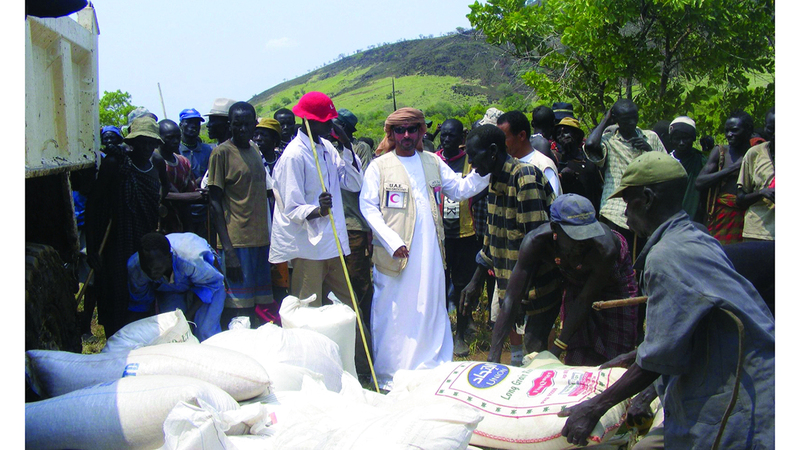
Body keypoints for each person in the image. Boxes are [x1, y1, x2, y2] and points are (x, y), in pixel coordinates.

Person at [558, 151, 774, 449]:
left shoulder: (667, 257)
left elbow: (661, 356)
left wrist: (595, 406)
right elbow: (689, 324)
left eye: (628, 203)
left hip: (736, 401)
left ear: (646, 199)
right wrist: (637, 354)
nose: (626, 215)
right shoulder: (695, 239)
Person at [359, 107, 489, 389]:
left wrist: (487, 171)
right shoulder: (379, 167)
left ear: (421, 132)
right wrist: (391, 241)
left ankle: (430, 364)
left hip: (430, 251)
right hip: (395, 254)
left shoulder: (432, 161)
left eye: (412, 130)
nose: (406, 135)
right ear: (391, 134)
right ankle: (390, 372)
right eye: (400, 130)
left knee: (428, 303)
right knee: (392, 309)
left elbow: (459, 188)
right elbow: (367, 207)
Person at [269, 92, 370, 377]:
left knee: (351, 312)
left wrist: (347, 145)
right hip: (310, 250)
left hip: (335, 247)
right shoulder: (293, 156)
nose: (331, 127)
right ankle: (308, 375)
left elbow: (354, 182)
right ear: (309, 121)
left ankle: (363, 372)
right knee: (306, 318)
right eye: (326, 122)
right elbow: (290, 207)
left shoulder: (326, 146)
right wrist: (317, 210)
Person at [486, 193, 638, 366]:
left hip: (614, 289)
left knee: (616, 359)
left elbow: (585, 299)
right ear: (554, 229)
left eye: (587, 235)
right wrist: (493, 358)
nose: (582, 242)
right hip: (577, 288)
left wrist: (556, 350)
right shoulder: (535, 243)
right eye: (576, 236)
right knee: (579, 359)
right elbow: (511, 299)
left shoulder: (605, 249)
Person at [460, 124, 556, 367]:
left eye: (474, 156)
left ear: (493, 151)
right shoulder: (495, 180)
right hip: (513, 288)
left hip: (535, 290)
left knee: (535, 352)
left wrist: (518, 300)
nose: (471, 164)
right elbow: (492, 239)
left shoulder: (525, 178)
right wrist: (474, 282)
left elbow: (536, 245)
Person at [85, 116, 170, 337]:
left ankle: (145, 339)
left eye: (150, 142)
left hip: (146, 238)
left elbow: (165, 189)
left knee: (145, 289)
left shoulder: (157, 163)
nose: (146, 147)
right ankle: (116, 340)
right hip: (116, 239)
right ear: (132, 141)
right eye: (141, 141)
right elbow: (94, 203)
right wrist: (93, 248)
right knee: (117, 292)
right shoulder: (117, 163)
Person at [207, 101, 275, 329]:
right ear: (230, 125)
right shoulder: (221, 153)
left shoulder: (255, 150)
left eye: (247, 125)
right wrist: (228, 250)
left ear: (254, 125)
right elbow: (214, 201)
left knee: (262, 306)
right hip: (237, 243)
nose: (242, 130)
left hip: (260, 241)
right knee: (238, 308)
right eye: (237, 125)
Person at [584, 99, 667, 257]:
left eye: (634, 118)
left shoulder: (650, 137)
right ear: (616, 120)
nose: (632, 122)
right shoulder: (609, 141)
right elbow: (590, 145)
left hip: (645, 209)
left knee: (640, 259)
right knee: (614, 258)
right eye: (626, 119)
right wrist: (606, 119)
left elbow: (665, 167)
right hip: (615, 211)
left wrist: (648, 150)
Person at [433, 118, 484, 356]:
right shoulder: (433, 161)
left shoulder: (469, 162)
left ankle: (461, 333)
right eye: (443, 135)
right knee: (439, 286)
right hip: (440, 236)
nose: (446, 140)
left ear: (461, 139)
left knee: (463, 285)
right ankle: (440, 333)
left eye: (451, 136)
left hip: (465, 234)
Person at [127, 232, 225, 341]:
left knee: (205, 332)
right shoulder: (136, 267)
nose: (151, 273)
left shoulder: (190, 260)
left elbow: (211, 284)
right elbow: (140, 303)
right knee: (171, 331)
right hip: (171, 289)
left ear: (169, 257)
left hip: (209, 284)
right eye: (147, 269)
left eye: (157, 269)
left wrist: (187, 318)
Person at [329, 108, 375, 332]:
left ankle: (364, 330)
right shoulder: (327, 149)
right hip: (333, 226)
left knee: (359, 282)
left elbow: (362, 182)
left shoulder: (359, 148)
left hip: (354, 225)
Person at [695, 110, 753, 245]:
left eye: (734, 131)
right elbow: (699, 182)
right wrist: (732, 169)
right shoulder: (721, 152)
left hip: (749, 219)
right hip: (721, 218)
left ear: (748, 130)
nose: (729, 135)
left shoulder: (757, 154)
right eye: (727, 131)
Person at [253, 117, 289, 306]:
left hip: (283, 224)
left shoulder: (285, 160)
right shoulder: (253, 160)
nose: (258, 139)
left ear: (275, 140)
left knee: (283, 275)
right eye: (256, 134)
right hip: (261, 224)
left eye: (263, 135)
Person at [497, 110, 561, 196]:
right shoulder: (505, 165)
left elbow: (553, 204)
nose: (500, 143)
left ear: (521, 135)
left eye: (504, 138)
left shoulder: (543, 166)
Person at [737, 107, 774, 241]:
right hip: (757, 232)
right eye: (771, 129)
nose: (776, 134)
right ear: (765, 128)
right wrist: (761, 193)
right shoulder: (755, 153)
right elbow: (740, 199)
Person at [156, 119, 200, 234]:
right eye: (170, 138)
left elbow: (190, 194)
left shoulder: (183, 162)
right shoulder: (152, 162)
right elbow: (159, 195)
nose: (175, 141)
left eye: (177, 137)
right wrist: (192, 197)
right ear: (158, 138)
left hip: (180, 223)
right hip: (159, 224)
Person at [178, 108, 214, 240]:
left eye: (197, 123)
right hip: (181, 210)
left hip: (204, 211)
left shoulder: (207, 150)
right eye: (189, 122)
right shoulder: (175, 150)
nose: (194, 126)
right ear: (181, 124)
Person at [554, 117, 603, 212]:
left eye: (566, 131)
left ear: (576, 134)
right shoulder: (557, 160)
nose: (562, 135)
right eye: (559, 133)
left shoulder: (590, 158)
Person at [665, 116, 707, 223]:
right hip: (667, 217)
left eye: (686, 138)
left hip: (694, 219)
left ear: (693, 139)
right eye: (677, 139)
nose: (681, 143)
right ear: (671, 140)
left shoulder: (701, 161)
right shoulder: (664, 161)